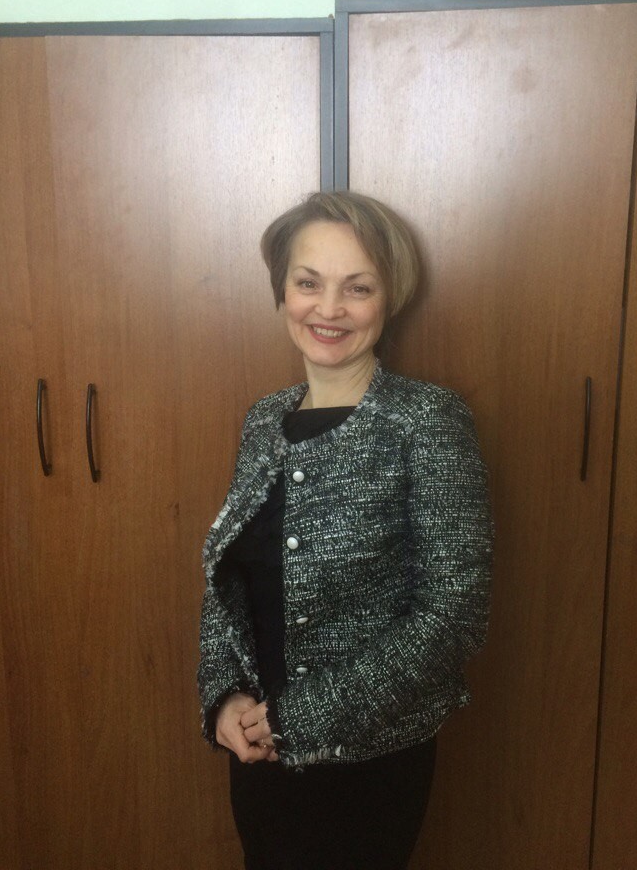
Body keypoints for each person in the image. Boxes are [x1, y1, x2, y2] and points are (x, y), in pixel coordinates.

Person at [197, 191, 493, 870]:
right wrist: (223, 697)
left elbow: (454, 617)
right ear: (282, 291)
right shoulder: (263, 420)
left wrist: (298, 717)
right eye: (308, 283)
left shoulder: (427, 420)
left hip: (369, 766)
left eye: (357, 288)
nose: (327, 309)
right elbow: (230, 582)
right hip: (259, 754)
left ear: (389, 300)